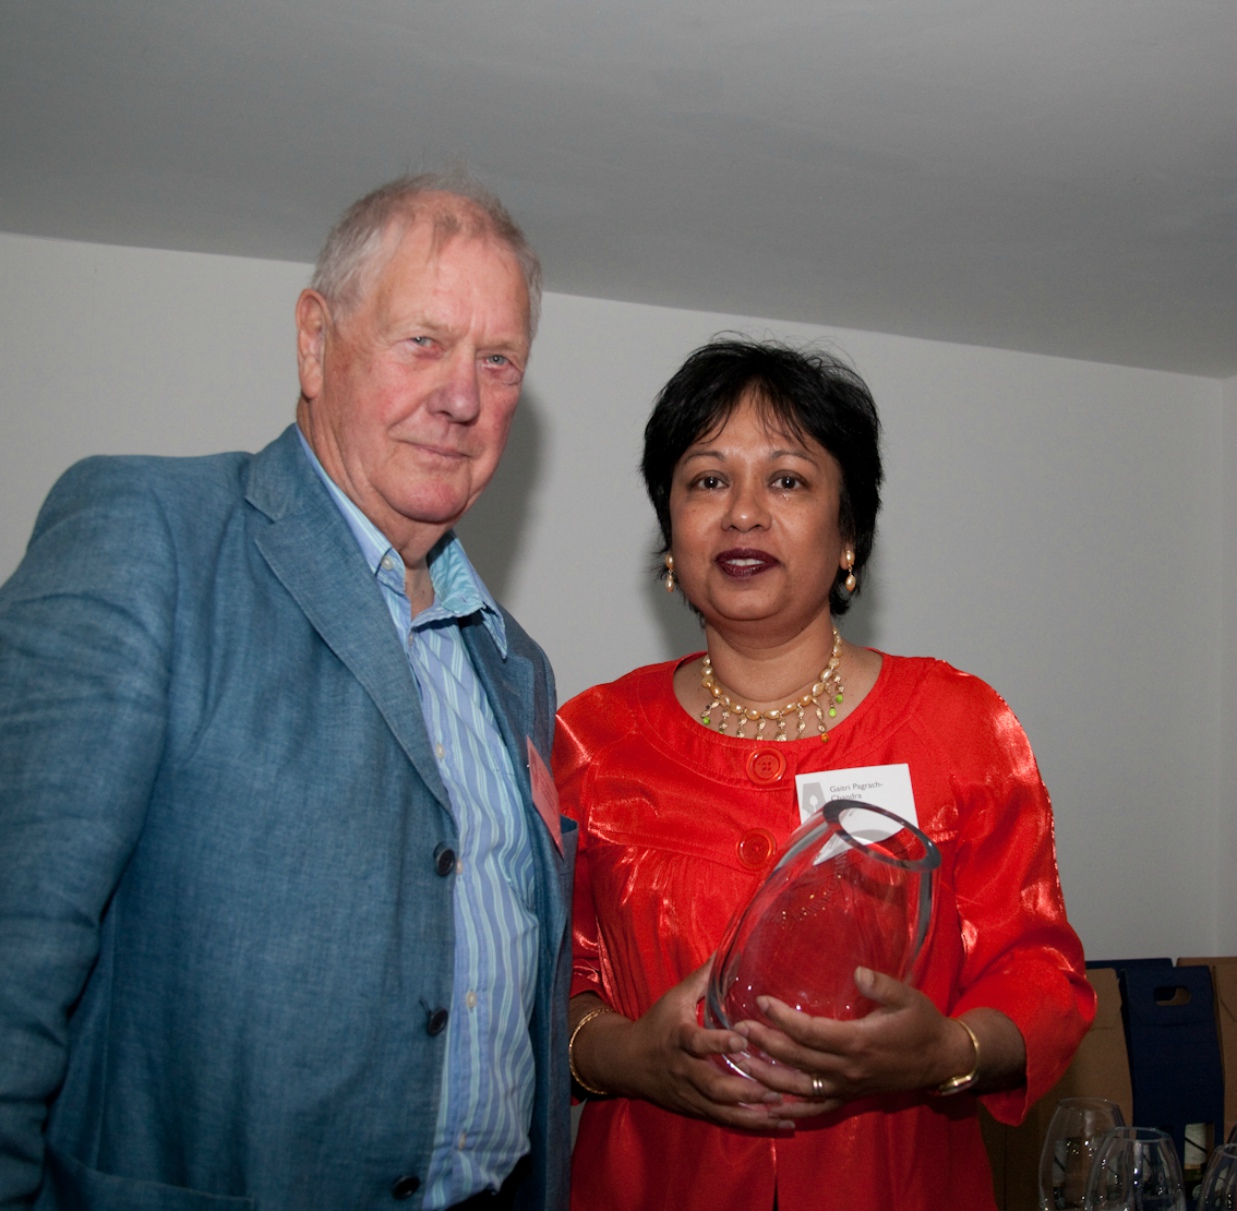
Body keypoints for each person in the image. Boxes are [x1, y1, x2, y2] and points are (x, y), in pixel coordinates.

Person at [0, 173, 575, 1211]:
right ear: (315, 342)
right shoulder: (150, 535)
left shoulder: (516, 663)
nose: (462, 396)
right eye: (423, 342)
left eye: (498, 361)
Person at [554, 339, 1095, 1211]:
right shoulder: (587, 739)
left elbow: (1039, 974)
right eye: (705, 480)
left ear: (848, 533)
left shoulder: (959, 723)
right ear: (669, 534)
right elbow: (534, 989)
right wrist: (627, 1058)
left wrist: (943, 1052)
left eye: (787, 480)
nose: (741, 514)